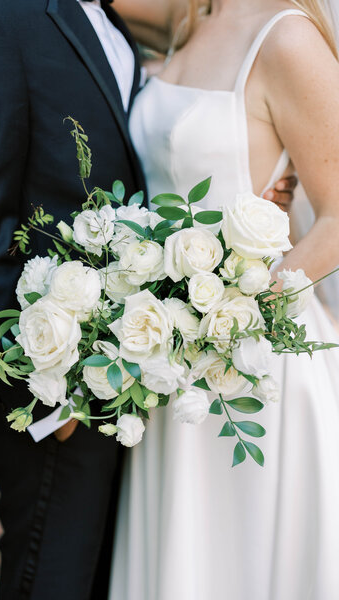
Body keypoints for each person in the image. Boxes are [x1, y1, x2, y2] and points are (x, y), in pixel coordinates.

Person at [0, 0, 297, 597]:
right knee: (50, 576)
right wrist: (56, 391)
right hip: (60, 392)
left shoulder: (112, 17)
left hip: (131, 370)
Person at [108, 1, 339, 599]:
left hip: (255, 367)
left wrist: (235, 318)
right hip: (166, 361)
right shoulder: (185, 26)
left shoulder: (286, 38)